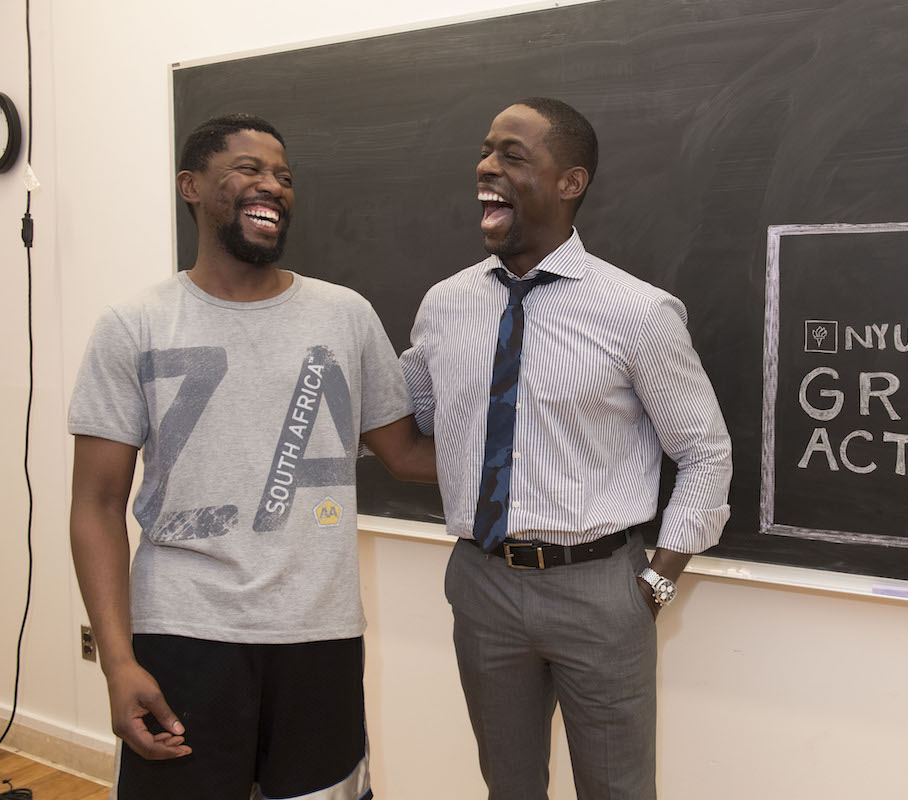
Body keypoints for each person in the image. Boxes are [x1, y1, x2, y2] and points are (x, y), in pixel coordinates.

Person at [68, 113, 433, 800]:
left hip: (318, 636)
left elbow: (409, 454)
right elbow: (96, 503)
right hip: (181, 635)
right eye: (249, 169)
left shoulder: (344, 316)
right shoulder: (134, 324)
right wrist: (117, 662)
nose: (273, 185)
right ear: (191, 186)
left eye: (285, 176)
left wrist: (536, 439)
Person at [401, 97, 733, 800]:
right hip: (481, 582)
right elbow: (416, 421)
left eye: (512, 155)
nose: (487, 167)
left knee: (617, 789)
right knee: (508, 788)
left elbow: (704, 453)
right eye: (486, 152)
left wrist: (658, 581)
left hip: (600, 589)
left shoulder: (638, 312)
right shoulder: (444, 305)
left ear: (569, 182)